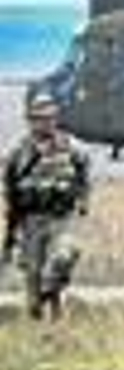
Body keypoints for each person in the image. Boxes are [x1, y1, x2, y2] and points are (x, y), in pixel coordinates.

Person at [3, 93, 91, 320]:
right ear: (31, 120)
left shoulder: (71, 148)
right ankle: (42, 323)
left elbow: (84, 176)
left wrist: (83, 201)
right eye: (40, 118)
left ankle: (51, 299)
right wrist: (11, 224)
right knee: (33, 276)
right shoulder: (18, 150)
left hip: (61, 218)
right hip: (31, 220)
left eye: (50, 117)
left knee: (63, 256)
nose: (46, 122)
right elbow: (8, 184)